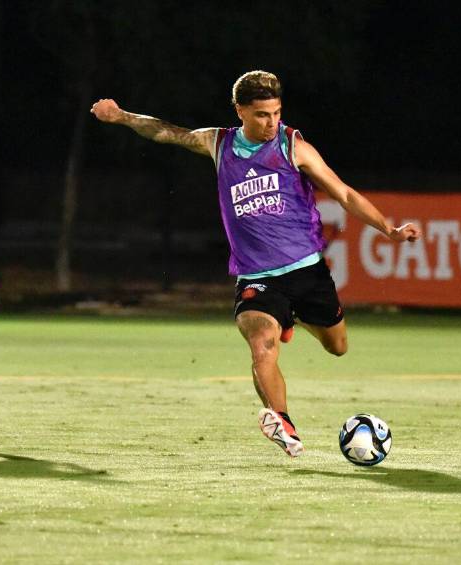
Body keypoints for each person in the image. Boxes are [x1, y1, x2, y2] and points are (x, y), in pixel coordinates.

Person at [91, 70, 420, 457]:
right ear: (240, 111)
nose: (272, 123)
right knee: (262, 348)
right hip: (257, 277)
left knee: (338, 346)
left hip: (307, 271)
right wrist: (122, 116)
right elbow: (166, 132)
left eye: (277, 113)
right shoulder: (218, 143)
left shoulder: (293, 146)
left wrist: (389, 230)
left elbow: (344, 194)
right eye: (262, 114)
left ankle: (290, 320)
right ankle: (282, 421)